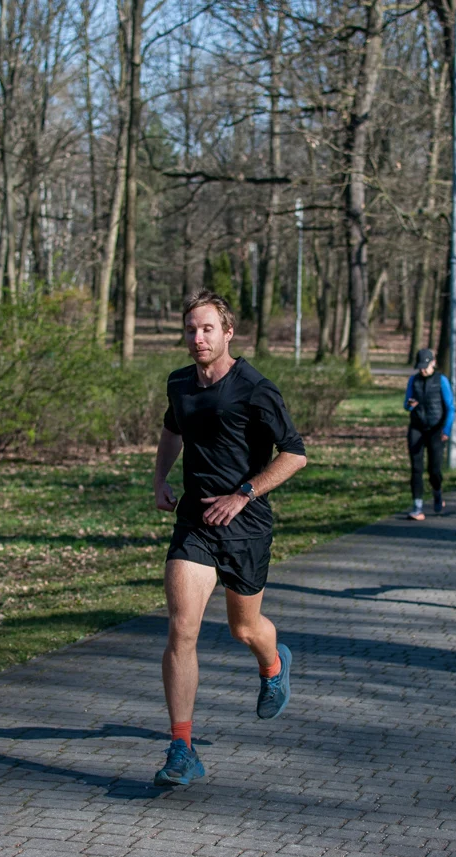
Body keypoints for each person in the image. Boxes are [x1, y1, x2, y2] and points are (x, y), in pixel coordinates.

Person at [152, 289, 308, 787]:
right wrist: (160, 477)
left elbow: (295, 453)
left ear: (228, 333)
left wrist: (245, 493)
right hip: (196, 523)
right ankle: (181, 748)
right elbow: (173, 429)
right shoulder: (180, 383)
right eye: (191, 329)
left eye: (207, 329)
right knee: (182, 630)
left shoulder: (255, 387)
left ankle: (273, 662)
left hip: (245, 527)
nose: (197, 338)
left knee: (244, 629)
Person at [403, 348, 456, 520]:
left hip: (436, 429)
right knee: (416, 468)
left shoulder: (441, 381)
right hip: (417, 428)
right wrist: (411, 404)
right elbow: (406, 404)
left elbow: (450, 407)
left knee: (434, 469)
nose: (422, 370)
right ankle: (417, 506)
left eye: (425, 366)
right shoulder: (414, 380)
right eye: (420, 367)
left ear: (433, 363)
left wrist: (446, 430)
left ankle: (437, 492)